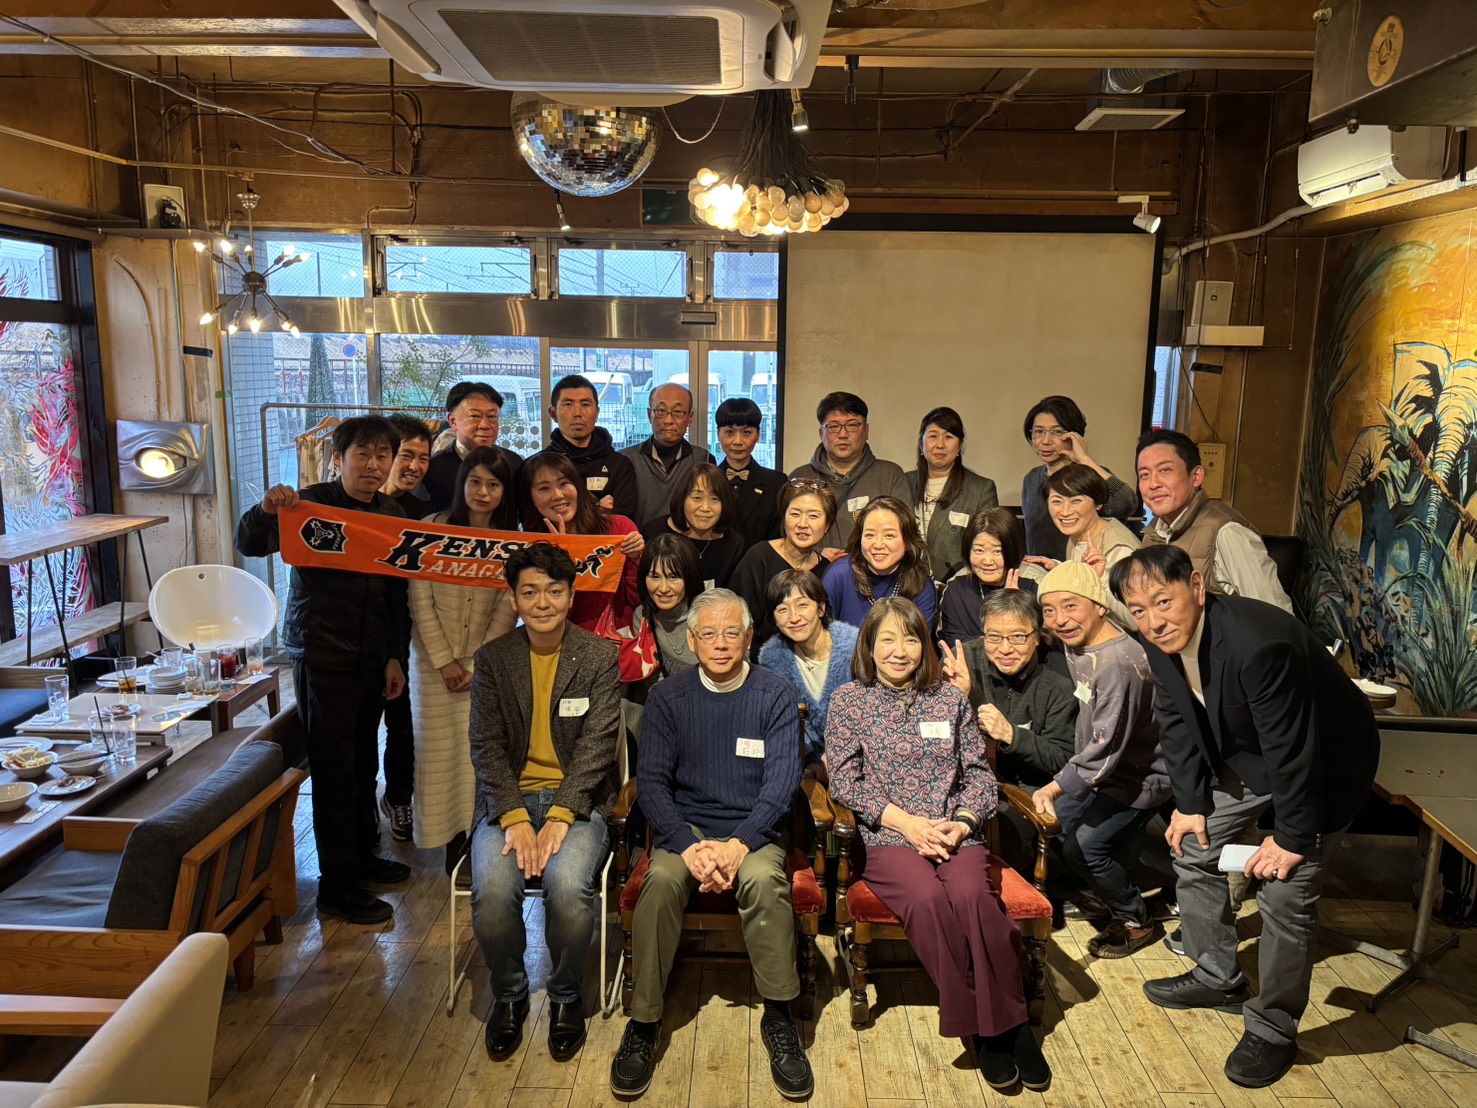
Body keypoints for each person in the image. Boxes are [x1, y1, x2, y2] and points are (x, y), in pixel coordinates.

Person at [1112, 546, 1379, 1089]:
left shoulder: (1259, 645)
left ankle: (1273, 1027)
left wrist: (1291, 838)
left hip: (1325, 765)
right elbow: (1175, 718)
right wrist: (1190, 804)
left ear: (1197, 587)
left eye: (1163, 601)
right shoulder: (1157, 638)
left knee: (1284, 891)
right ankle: (1217, 975)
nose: (1153, 621)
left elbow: (1295, 752)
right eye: (1138, 609)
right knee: (1193, 845)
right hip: (1251, 754)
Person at [827, 598, 1050, 1092]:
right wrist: (907, 824)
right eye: (887, 639)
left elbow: (978, 775)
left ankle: (1011, 1025)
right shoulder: (849, 701)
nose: (899, 651)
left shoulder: (948, 699)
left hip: (954, 833)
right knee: (927, 900)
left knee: (974, 897)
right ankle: (989, 1028)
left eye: (910, 638)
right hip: (888, 836)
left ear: (924, 645)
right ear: (869, 646)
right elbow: (843, 782)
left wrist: (964, 823)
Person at [610, 590, 811, 1100]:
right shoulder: (668, 698)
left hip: (755, 829)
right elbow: (653, 784)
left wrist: (741, 843)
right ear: (692, 640)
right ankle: (644, 1021)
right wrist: (687, 846)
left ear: (748, 638)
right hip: (688, 829)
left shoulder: (775, 694)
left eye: (731, 633)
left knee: (764, 880)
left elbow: (782, 783)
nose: (720, 644)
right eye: (709, 634)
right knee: (660, 881)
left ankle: (779, 1014)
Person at [235, 414, 413, 926]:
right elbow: (250, 542)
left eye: (383, 455)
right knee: (334, 771)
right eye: (363, 454)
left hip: (372, 654)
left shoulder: (391, 511)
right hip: (322, 652)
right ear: (339, 459)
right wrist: (266, 509)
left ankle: (362, 856)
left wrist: (394, 655)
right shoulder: (309, 504)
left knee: (364, 764)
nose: (373, 465)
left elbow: (395, 593)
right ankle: (337, 886)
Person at [468, 543, 621, 1064]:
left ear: (571, 596)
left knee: (569, 888)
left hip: (577, 802)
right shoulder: (494, 660)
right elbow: (486, 746)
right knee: (492, 893)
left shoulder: (598, 656)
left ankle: (565, 994)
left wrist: (560, 814)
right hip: (506, 802)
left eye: (554, 591)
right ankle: (510, 993)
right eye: (529, 592)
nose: (542, 602)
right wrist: (514, 818)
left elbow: (599, 745)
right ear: (513, 599)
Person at [1031, 561, 1170, 960]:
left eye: (1071, 606)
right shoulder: (1079, 641)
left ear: (1100, 607)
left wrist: (1054, 787)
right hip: (1103, 771)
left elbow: (1106, 750)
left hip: (1140, 776)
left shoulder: (1117, 663)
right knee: (1060, 829)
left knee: (1086, 847)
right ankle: (1108, 892)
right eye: (1050, 610)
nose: (1060, 619)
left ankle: (1135, 918)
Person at [408, 447, 518, 872]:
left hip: (483, 667)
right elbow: (419, 600)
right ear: (461, 484)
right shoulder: (430, 529)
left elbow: (508, 607)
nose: (483, 492)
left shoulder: (509, 540)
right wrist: (444, 661)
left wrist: (475, 663)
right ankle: (449, 843)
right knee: (437, 759)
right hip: (431, 668)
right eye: (475, 482)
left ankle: (477, 843)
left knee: (479, 756)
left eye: (493, 484)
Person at [1136, 429, 1293, 613]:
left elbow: (1276, 616)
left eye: (1165, 470)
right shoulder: (1152, 534)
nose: (1153, 484)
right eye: (1144, 475)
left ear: (1196, 477)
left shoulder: (1227, 532)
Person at [940, 590, 1077, 790]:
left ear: (1037, 637)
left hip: (1033, 785)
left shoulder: (1059, 678)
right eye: (994, 637)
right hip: (967, 779)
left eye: (1018, 636)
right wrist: (959, 699)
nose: (1005, 649)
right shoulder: (961, 662)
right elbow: (936, 739)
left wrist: (1011, 734)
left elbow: (1062, 760)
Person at [376, 414, 435, 844]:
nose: (414, 466)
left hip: (405, 631)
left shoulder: (422, 514)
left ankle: (398, 798)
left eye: (423, 458)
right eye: (405, 455)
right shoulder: (343, 505)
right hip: (351, 634)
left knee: (403, 723)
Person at [521, 450, 644, 631]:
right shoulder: (530, 546)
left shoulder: (618, 528)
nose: (558, 495)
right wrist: (559, 561)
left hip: (617, 639)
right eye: (544, 488)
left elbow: (641, 601)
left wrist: (638, 559)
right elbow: (542, 616)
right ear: (531, 498)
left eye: (564, 483)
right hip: (559, 640)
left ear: (577, 485)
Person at [756, 568, 860, 781]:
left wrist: (837, 757)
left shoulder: (856, 647)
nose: (794, 618)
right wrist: (812, 759)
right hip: (807, 766)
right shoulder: (772, 658)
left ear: (821, 608)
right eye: (782, 609)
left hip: (860, 758)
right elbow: (788, 721)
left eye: (802, 605)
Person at [602, 533, 706, 744]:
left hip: (710, 713)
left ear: (689, 577)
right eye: (654, 577)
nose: (663, 588)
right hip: (670, 717)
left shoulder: (708, 614)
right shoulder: (643, 616)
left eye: (673, 577)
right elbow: (655, 684)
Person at [789, 391, 910, 553]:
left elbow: (905, 534)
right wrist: (817, 556)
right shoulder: (800, 479)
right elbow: (787, 538)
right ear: (821, 434)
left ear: (866, 431)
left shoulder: (890, 475)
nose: (843, 434)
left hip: (875, 567)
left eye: (852, 425)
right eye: (833, 427)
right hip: (813, 568)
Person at [1020, 395, 1140, 560]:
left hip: (1089, 569)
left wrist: (1084, 459)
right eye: (1039, 432)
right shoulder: (1031, 479)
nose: (1046, 441)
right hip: (1043, 571)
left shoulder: (1091, 476)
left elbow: (1126, 504)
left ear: (1074, 435)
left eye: (1057, 432)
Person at [731, 479, 837, 656]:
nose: (802, 524)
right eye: (795, 514)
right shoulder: (759, 557)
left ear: (827, 525)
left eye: (813, 516)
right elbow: (737, 620)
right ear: (783, 517)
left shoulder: (828, 571)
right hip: (759, 662)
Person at [904, 407, 999, 583]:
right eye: (933, 436)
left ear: (959, 446)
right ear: (921, 445)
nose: (940, 445)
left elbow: (988, 546)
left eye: (948, 437)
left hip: (959, 584)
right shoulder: (903, 482)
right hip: (908, 583)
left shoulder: (981, 489)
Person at [1042, 464, 1141, 627]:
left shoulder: (1118, 548)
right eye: (1057, 501)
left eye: (1076, 501)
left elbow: (1135, 620)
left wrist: (1100, 579)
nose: (1065, 511)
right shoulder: (1077, 534)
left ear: (1098, 504)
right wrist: (1064, 571)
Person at [823, 496, 937, 629]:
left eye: (889, 535)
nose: (878, 545)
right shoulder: (838, 575)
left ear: (907, 541)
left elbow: (917, 639)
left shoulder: (921, 584)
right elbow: (822, 636)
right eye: (870, 535)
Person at [424, 382, 523, 528]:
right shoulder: (433, 467)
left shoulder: (514, 463)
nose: (485, 425)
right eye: (475, 416)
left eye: (492, 416)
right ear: (453, 421)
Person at [938, 509, 1041, 645]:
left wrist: (1015, 605)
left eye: (997, 551)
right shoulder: (957, 587)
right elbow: (951, 639)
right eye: (979, 550)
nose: (987, 561)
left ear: (1013, 549)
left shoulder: (1036, 582)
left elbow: (1044, 639)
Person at [639, 462, 746, 589]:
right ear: (682, 498)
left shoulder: (734, 544)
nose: (705, 508)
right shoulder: (653, 532)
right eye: (697, 498)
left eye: (714, 499)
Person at [547, 373, 639, 519]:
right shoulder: (540, 466)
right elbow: (537, 522)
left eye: (585, 404)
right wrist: (598, 509)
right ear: (553, 414)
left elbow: (621, 523)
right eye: (568, 404)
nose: (577, 413)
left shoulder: (619, 466)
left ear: (597, 413)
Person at [621, 382, 714, 526]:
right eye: (661, 411)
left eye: (678, 412)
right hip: (638, 540)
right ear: (650, 415)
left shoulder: (704, 460)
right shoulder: (626, 460)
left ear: (690, 418)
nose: (668, 420)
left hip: (687, 540)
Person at [715, 397, 785, 549]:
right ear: (718, 434)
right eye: (729, 432)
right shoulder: (707, 482)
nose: (738, 441)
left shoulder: (776, 483)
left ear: (758, 435)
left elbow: (778, 539)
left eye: (746, 432)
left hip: (761, 563)